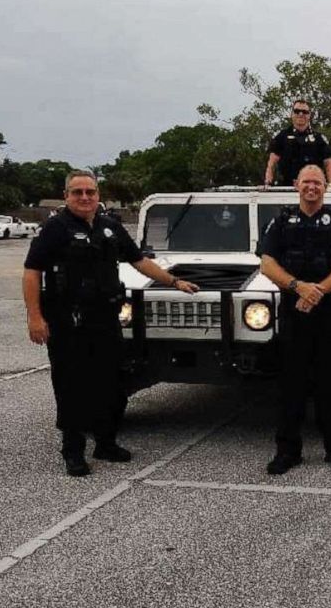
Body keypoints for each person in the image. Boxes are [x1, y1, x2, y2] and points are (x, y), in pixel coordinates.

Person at [23, 170, 199, 477]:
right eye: (77, 192)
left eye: (90, 192)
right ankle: (73, 450)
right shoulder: (55, 228)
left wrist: (174, 281)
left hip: (105, 317)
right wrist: (35, 317)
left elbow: (138, 261)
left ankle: (106, 442)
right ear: (66, 196)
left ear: (98, 195)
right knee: (71, 386)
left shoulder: (110, 227)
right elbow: (32, 272)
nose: (85, 197)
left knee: (111, 382)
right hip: (68, 321)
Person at [259, 164, 331, 474]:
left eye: (317, 182)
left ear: (325, 187)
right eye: (306, 182)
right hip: (294, 312)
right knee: (291, 384)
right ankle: (288, 451)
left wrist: (318, 291)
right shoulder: (279, 223)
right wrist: (298, 287)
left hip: (329, 314)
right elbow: (267, 264)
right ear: (296, 184)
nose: (312, 187)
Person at [264, 98, 331, 187]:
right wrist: (268, 183)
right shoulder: (282, 137)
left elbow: (329, 165)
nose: (301, 114)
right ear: (292, 114)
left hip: (312, 189)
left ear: (309, 115)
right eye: (297, 111)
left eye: (304, 112)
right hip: (286, 190)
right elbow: (272, 163)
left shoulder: (318, 139)